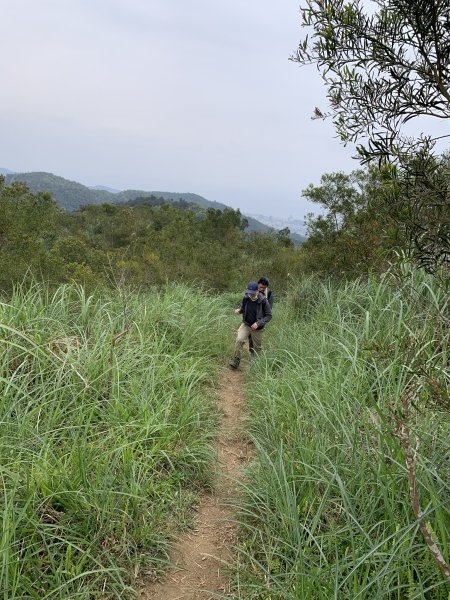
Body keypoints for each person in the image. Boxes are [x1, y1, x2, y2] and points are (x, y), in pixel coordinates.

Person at [229, 281, 272, 369]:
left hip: (258, 328)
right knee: (239, 340)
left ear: (257, 291)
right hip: (246, 325)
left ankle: (254, 367)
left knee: (257, 349)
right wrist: (239, 311)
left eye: (252, 293)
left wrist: (258, 323)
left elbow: (269, 316)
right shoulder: (246, 298)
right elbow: (243, 309)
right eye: (249, 293)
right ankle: (235, 362)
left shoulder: (263, 301)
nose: (250, 295)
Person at [248, 277, 274, 355]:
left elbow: (269, 312)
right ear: (257, 285)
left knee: (256, 337)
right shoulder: (252, 290)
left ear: (266, 287)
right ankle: (251, 351)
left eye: (264, 287)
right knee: (250, 336)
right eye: (260, 287)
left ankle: (255, 355)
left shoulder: (269, 295)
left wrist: (260, 322)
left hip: (261, 319)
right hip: (251, 317)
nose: (262, 289)